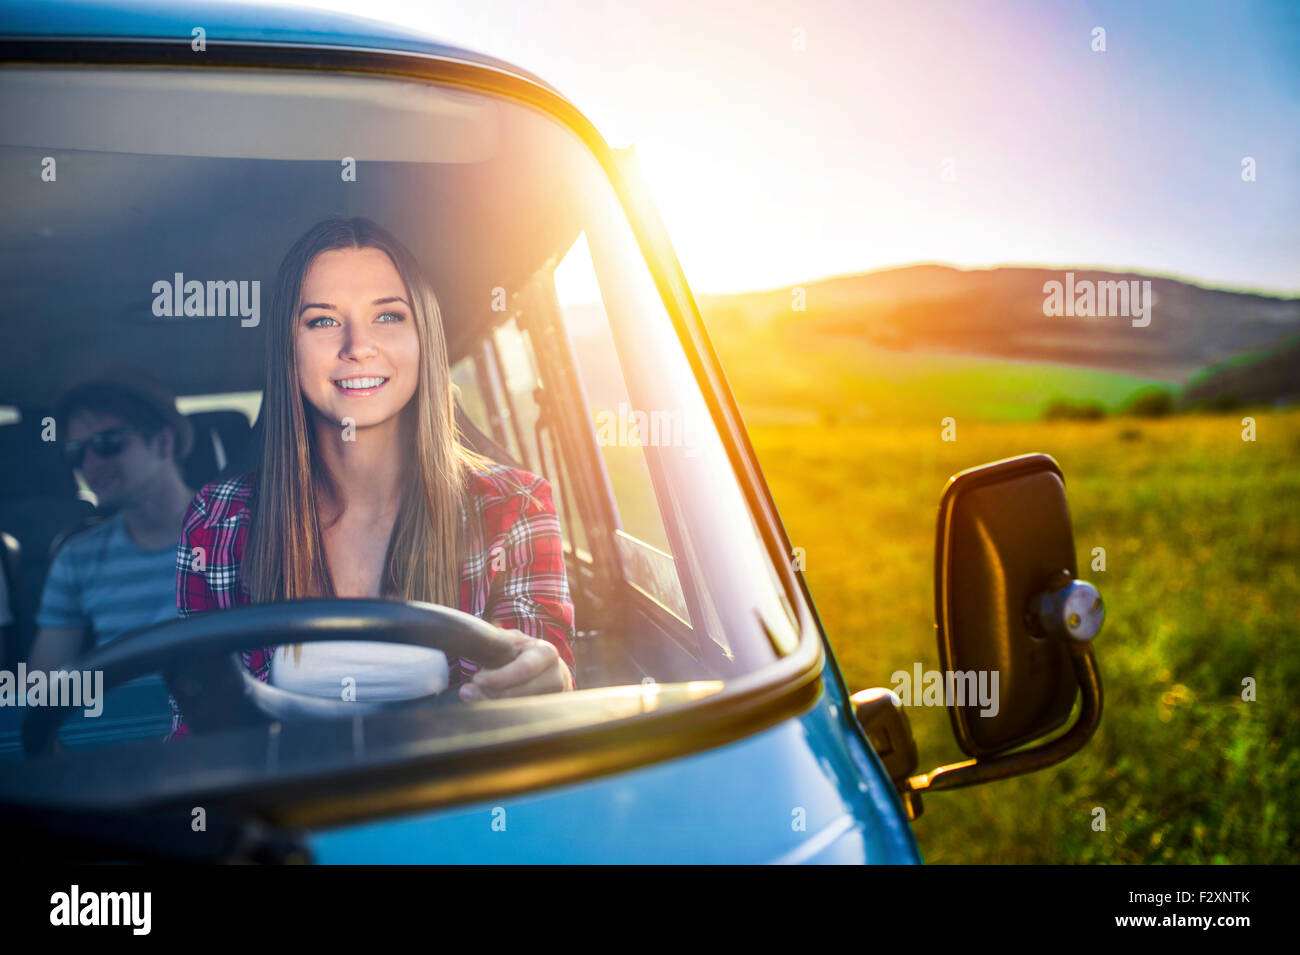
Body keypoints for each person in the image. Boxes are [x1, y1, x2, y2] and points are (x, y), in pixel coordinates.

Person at [169, 217, 576, 738]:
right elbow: (195, 730)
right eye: (321, 321)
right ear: (286, 351)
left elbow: (538, 696)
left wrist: (549, 680)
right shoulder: (217, 521)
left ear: (424, 337)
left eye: (388, 316)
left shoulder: (515, 508)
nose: (357, 346)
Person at [28, 372, 196, 714]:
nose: (89, 465)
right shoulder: (76, 559)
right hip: (122, 745)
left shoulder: (249, 530)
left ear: (163, 442)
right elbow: (40, 692)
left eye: (107, 443)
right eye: (77, 453)